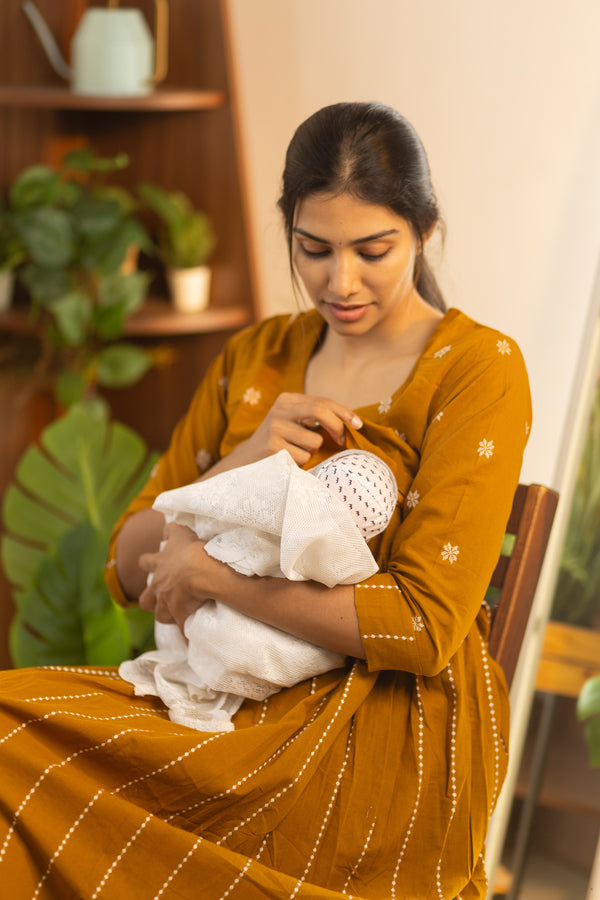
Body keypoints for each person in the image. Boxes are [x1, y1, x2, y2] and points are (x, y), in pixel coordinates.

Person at [0, 101, 531, 899]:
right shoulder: (257, 356)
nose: (338, 281)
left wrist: (217, 581)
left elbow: (420, 626)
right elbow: (127, 564)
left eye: (372, 250)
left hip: (371, 723)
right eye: (313, 249)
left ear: (424, 231)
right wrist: (244, 462)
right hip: (209, 693)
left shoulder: (477, 369)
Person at [118, 448, 398, 732]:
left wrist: (200, 569)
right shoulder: (239, 415)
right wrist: (251, 450)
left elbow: (407, 629)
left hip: (320, 712)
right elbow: (117, 567)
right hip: (190, 617)